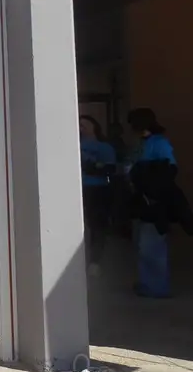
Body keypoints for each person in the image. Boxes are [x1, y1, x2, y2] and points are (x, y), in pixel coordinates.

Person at [126, 108, 193, 298]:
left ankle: (156, 287)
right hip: (142, 199)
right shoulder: (142, 144)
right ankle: (148, 283)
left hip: (155, 201)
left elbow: (169, 169)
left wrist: (151, 189)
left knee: (152, 244)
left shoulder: (159, 143)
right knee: (144, 245)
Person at [79, 115, 116, 276]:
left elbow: (109, 169)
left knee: (98, 226)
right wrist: (95, 165)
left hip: (98, 189)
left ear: (95, 125)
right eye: (80, 125)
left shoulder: (104, 147)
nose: (82, 127)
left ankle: (95, 261)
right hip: (79, 189)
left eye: (85, 124)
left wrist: (92, 166)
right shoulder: (74, 144)